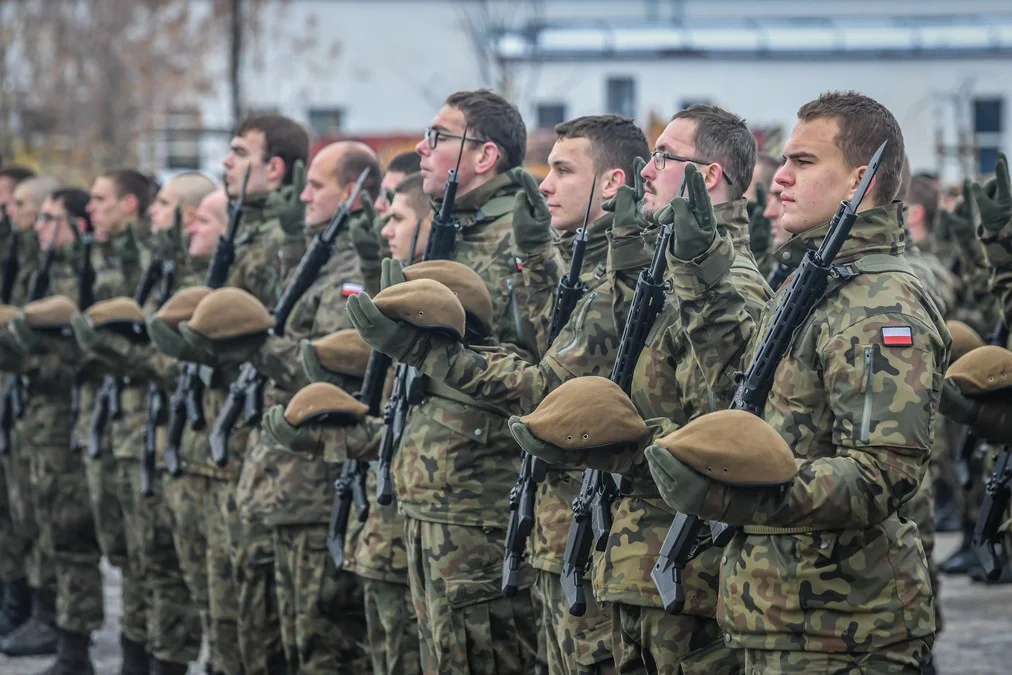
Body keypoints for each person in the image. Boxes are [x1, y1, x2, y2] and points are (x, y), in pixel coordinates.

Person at [648, 91, 946, 673]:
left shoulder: (880, 305)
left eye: (803, 163)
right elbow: (745, 390)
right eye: (783, 162)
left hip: (844, 632)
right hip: (782, 617)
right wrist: (700, 273)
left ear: (861, 179)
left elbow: (880, 474)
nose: (779, 178)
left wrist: (735, 493)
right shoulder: (817, 282)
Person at [349, 89, 546, 674]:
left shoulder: (521, 240)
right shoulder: (455, 228)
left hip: (479, 501)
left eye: (438, 137)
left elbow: (541, 369)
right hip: (431, 494)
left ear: (483, 156)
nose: (420, 148)